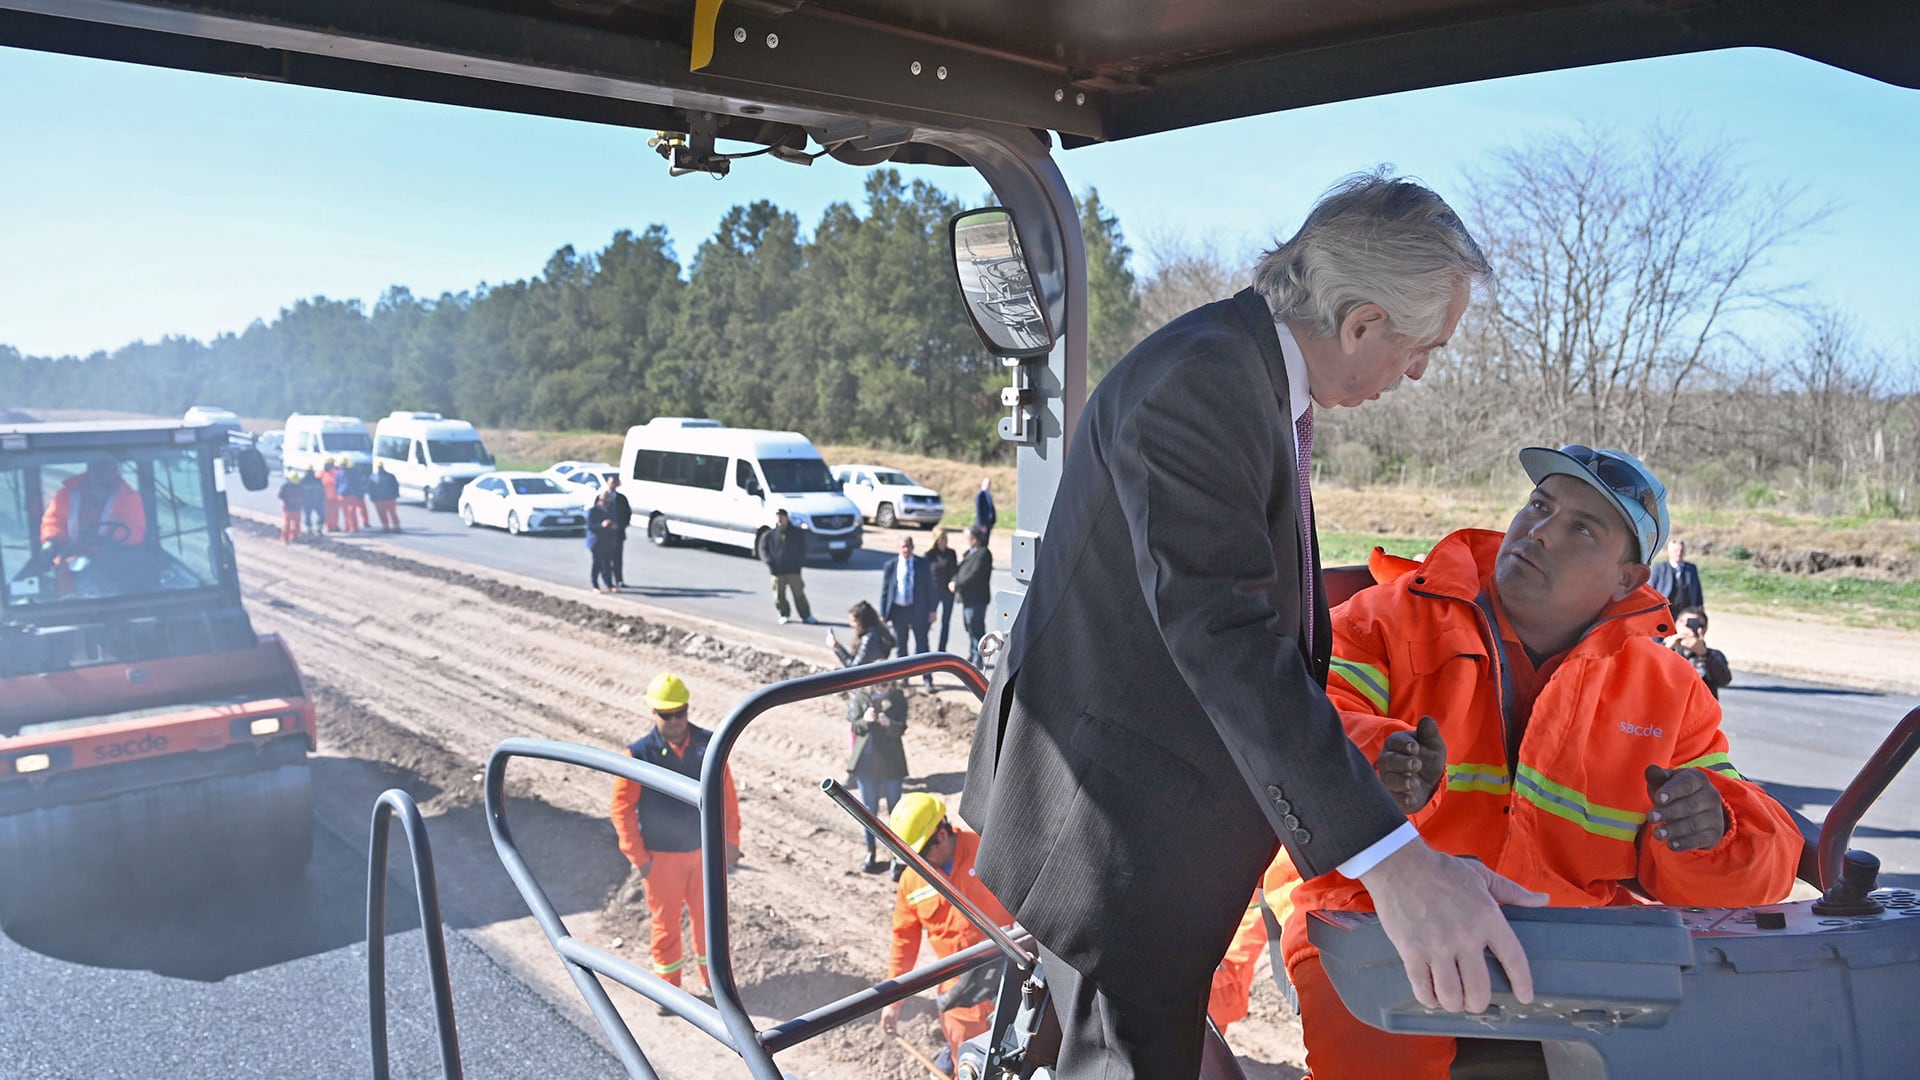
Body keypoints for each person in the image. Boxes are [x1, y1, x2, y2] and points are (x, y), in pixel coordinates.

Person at [960, 173, 1545, 1078]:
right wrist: (1396, 865)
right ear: (1360, 322)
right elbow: (1228, 637)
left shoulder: (1244, 376)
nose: (1421, 370)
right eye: (1424, 346)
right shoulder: (1203, 385)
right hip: (1113, 834)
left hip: (1149, 820)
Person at [1277, 445, 1802, 1079]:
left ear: (1628, 581)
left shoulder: (1673, 689)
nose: (1541, 531)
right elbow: (1298, 733)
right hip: (1378, 918)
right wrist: (1375, 769)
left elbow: (1752, 870)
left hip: (1575, 949)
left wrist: (1711, 836)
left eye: (1582, 528)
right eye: (1539, 505)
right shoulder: (1382, 620)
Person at [609, 673, 742, 1001]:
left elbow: (727, 796)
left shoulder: (709, 745)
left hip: (705, 855)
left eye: (679, 712)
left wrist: (731, 843)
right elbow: (621, 810)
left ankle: (715, 986)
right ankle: (670, 994)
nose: (675, 720)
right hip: (661, 859)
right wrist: (638, 858)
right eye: (666, 715)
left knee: (710, 925)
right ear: (652, 714)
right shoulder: (638, 754)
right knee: (665, 927)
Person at [880, 793, 1015, 1069]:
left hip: (1012, 985)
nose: (918, 866)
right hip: (962, 1003)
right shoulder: (911, 882)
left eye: (920, 856)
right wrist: (894, 1001)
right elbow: (904, 941)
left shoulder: (984, 849)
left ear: (941, 834)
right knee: (972, 1068)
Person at [846, 681, 910, 873]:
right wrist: (866, 720)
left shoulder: (898, 699)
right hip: (866, 764)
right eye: (877, 685)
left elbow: (901, 728)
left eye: (885, 685)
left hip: (891, 763)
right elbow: (855, 726)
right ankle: (870, 852)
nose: (881, 688)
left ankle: (896, 857)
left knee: (895, 811)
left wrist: (888, 724)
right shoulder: (861, 697)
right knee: (868, 811)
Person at [40, 457, 148, 552]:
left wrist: (108, 541)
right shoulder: (66, 495)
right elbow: (54, 522)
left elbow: (134, 532)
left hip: (115, 561)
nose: (101, 474)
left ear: (115, 471)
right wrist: (52, 541)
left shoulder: (129, 498)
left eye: (106, 468)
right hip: (72, 560)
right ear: (89, 469)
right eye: (97, 468)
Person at [880, 536, 935, 691]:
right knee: (901, 647)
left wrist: (932, 610)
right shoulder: (891, 565)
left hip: (917, 609)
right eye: (903, 547)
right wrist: (883, 613)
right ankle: (903, 678)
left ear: (913, 547)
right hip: (899, 610)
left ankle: (927, 679)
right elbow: (885, 590)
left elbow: (931, 588)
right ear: (898, 548)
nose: (906, 550)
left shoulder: (922, 564)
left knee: (922, 645)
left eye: (908, 546)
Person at [761, 508, 814, 624]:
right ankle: (783, 614)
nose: (780, 519)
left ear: (787, 518)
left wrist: (798, 563)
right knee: (779, 595)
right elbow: (764, 551)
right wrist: (770, 563)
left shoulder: (796, 533)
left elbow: (803, 549)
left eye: (782, 517)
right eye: (778, 517)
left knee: (799, 594)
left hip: (793, 570)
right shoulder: (770, 534)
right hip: (777, 571)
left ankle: (806, 615)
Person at [951, 527, 994, 668]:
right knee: (969, 626)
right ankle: (972, 652)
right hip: (967, 597)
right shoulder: (969, 553)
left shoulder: (983, 554)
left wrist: (958, 584)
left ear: (975, 538)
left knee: (976, 626)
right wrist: (954, 580)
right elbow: (960, 570)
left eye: (968, 537)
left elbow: (974, 575)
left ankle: (979, 657)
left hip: (977, 598)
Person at [1670, 606, 1733, 699]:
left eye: (1696, 625)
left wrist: (1703, 654)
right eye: (1686, 624)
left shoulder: (1713, 655)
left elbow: (1724, 680)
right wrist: (1667, 649)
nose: (1690, 630)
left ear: (1704, 629)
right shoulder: (1664, 651)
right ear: (1677, 624)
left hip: (1700, 709)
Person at [1647, 538, 1704, 620]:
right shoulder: (1659, 568)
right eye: (1676, 551)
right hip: (1665, 612)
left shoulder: (1691, 569)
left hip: (1685, 613)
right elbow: (1649, 591)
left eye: (1681, 551)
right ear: (1669, 552)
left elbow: (1697, 591)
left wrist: (1699, 610)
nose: (1679, 553)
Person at [829, 600, 896, 669]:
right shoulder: (879, 631)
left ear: (863, 621)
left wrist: (837, 648)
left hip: (869, 675)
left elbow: (854, 667)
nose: (851, 625)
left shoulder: (869, 639)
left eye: (854, 621)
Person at [926, 529, 959, 653]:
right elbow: (926, 575)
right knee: (928, 619)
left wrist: (954, 581)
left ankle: (941, 650)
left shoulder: (951, 553)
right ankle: (925, 648)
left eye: (946, 537)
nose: (945, 540)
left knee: (946, 622)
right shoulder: (930, 555)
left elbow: (956, 571)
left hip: (947, 592)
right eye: (942, 538)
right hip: (934, 592)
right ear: (937, 539)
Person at [587, 488, 620, 593]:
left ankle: (609, 584)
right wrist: (602, 525)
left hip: (608, 541)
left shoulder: (610, 510)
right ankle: (595, 585)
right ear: (599, 500)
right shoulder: (593, 511)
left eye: (608, 502)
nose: (606, 504)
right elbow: (590, 526)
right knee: (597, 564)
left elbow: (616, 521)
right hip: (596, 542)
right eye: (604, 501)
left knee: (607, 564)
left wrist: (614, 525)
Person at [607, 475, 634, 587]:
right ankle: (608, 581)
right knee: (606, 559)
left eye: (615, 482)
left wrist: (621, 526)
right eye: (611, 482)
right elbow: (597, 513)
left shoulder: (622, 498)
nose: (613, 485)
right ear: (607, 483)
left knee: (618, 558)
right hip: (606, 535)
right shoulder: (602, 497)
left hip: (618, 534)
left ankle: (619, 580)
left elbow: (627, 514)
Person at [368, 461, 402, 531]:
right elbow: (370, 488)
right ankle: (385, 526)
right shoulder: (373, 477)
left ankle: (397, 526)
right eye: (379, 468)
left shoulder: (390, 476)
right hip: (379, 499)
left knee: (393, 513)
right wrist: (372, 497)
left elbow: (395, 486)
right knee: (382, 513)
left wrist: (395, 495)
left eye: (380, 467)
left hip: (389, 499)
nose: (380, 469)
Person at [334, 458, 363, 533]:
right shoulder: (338, 474)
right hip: (342, 495)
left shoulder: (352, 474)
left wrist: (358, 494)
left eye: (343, 465)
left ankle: (354, 527)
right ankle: (347, 527)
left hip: (351, 495)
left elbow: (357, 484)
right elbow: (337, 484)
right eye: (341, 465)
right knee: (345, 512)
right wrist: (337, 493)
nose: (342, 466)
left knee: (351, 512)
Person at [277, 470, 305, 543]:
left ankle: (285, 538)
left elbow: (279, 495)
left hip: (288, 507)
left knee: (287, 523)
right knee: (296, 524)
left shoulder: (285, 486)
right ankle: (293, 538)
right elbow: (304, 496)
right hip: (296, 507)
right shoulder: (300, 486)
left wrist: (288, 499)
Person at [300, 466, 326, 535]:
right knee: (308, 516)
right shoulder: (302, 481)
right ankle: (309, 530)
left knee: (321, 515)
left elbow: (322, 491)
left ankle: (318, 529)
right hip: (308, 502)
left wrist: (322, 499)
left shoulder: (317, 480)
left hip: (316, 502)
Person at [319, 460, 341, 533]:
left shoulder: (336, 473)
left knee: (335, 513)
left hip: (335, 497)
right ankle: (327, 526)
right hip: (325, 497)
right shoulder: (321, 473)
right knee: (326, 513)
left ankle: (334, 526)